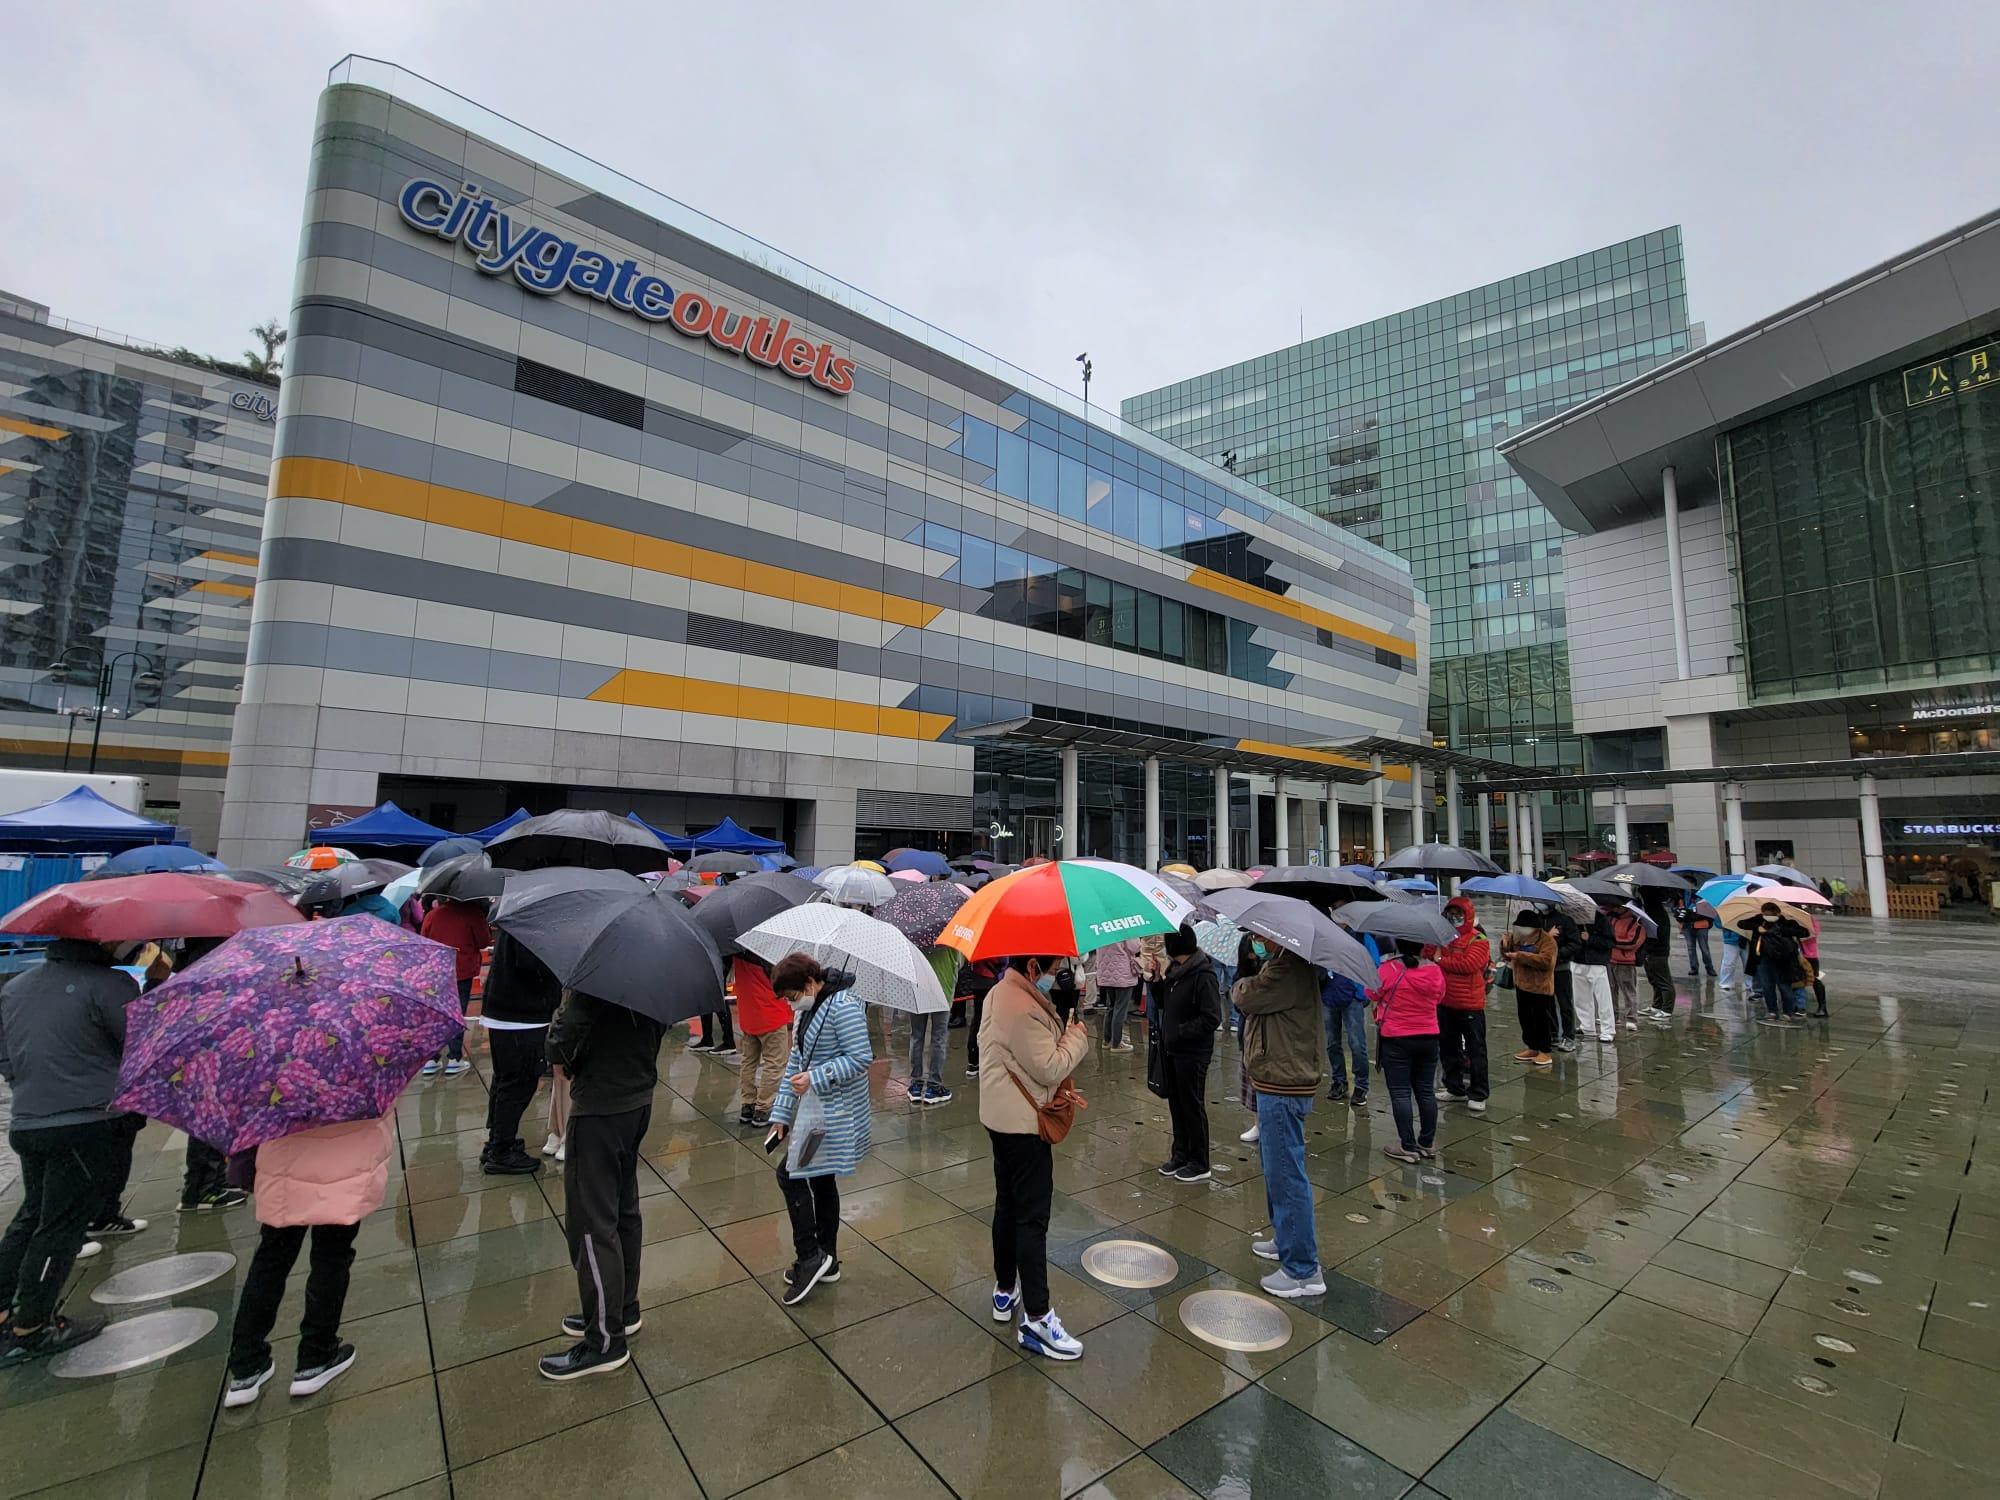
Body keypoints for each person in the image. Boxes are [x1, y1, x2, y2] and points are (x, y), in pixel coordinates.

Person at [0, 938, 149, 1362]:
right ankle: (32, 1325)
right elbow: (138, 1046)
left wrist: (31, 1083)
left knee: (31, 1216)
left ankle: (4, 1310)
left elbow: (5, 1055)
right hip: (85, 1122)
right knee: (60, 1227)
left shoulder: (15, 986)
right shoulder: (109, 986)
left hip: (29, 1118)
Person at [222, 1110, 395, 1407]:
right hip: (346, 1162)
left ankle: (246, 1365)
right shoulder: (362, 1063)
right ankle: (316, 1356)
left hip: (284, 1163)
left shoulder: (271, 1065)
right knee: (332, 1257)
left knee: (271, 1260)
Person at [539, 984, 665, 1381]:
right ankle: (621, 1309)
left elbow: (560, 1044)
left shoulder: (593, 975)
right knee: (624, 1211)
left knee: (593, 1224)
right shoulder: (652, 970)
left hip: (599, 1107)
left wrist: (563, 1015)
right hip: (637, 1098)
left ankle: (604, 1341)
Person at [980, 953, 1091, 1359]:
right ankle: (1039, 1319)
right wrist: (1077, 1034)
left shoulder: (999, 992)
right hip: (1023, 1126)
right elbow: (1049, 1067)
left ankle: (1005, 1289)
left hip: (999, 1116)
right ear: (1031, 967)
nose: (1053, 976)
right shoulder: (1022, 1006)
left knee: (1007, 1205)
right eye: (1049, 969)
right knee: (1031, 1218)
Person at [767, 956, 872, 1304]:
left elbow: (861, 1057)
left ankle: (811, 1255)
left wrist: (817, 1076)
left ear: (812, 983)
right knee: (821, 1179)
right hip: (817, 1111)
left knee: (790, 1174)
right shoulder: (806, 1010)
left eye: (793, 995)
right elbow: (796, 1060)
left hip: (836, 1112)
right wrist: (781, 1115)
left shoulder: (843, 1006)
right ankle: (826, 1258)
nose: (790, 1003)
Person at [1234, 942, 1325, 1300]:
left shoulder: (1288, 968)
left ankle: (1302, 1269)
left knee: (1286, 1172)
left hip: (1284, 1080)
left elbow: (1245, 996)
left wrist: (1245, 978)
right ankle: (1286, 1239)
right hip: (1278, 1075)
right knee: (1277, 1169)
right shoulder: (1285, 963)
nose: (1256, 937)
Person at [480, 930, 562, 1175]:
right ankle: (501, 1151)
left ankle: (497, 1140)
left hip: (508, 1011)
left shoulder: (520, 912)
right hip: (521, 1015)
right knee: (518, 1083)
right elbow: (532, 964)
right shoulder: (532, 924)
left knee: (505, 1079)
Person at [1153, 925, 1221, 1183]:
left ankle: (1200, 1161)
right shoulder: (1174, 971)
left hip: (1193, 1052)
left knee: (1192, 1105)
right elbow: (1163, 1004)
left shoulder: (1203, 975)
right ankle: (1180, 1154)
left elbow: (1212, 1016)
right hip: (1173, 1050)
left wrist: (1181, 1031)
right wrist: (1157, 980)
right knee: (1177, 1104)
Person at [1369, 939, 1445, 1164]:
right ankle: (1427, 1143)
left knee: (1401, 1092)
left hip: (1396, 1039)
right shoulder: (1434, 970)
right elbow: (1439, 997)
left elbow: (1371, 993)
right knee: (1425, 1090)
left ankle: (1407, 1146)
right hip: (1429, 1037)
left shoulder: (1387, 969)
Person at [420, 895, 491, 1079]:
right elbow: (484, 941)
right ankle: (454, 1058)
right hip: (462, 970)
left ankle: (431, 1059)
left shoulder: (433, 915)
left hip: (436, 970)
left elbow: (423, 940)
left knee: (436, 1013)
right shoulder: (473, 914)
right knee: (457, 1012)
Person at [1433, 898, 1492, 1109]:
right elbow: (1428, 954)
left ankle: (1478, 1093)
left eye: (1458, 913)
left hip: (1470, 1005)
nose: (1454, 917)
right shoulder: (1443, 938)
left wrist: (1442, 961)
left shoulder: (1478, 939)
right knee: (1449, 1048)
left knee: (1475, 1051)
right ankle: (1453, 1087)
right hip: (1445, 1001)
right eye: (1451, 913)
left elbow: (1469, 964)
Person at [732, 954, 792, 1127]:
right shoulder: (769, 956)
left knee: (748, 1062)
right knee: (774, 1064)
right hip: (772, 1015)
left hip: (749, 1016)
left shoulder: (738, 954)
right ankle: (763, 1109)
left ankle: (747, 1105)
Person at [1501, 912, 1557, 1066]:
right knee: (1526, 1019)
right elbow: (1507, 955)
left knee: (1541, 1020)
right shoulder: (1516, 937)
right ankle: (1532, 1046)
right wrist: (1504, 944)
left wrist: (1520, 956)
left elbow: (1546, 961)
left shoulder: (1547, 940)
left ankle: (1544, 1051)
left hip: (1540, 987)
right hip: (1521, 984)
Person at [1741, 902, 1810, 1025]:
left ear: (1778, 913)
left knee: (1784, 986)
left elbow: (1804, 932)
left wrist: (1777, 930)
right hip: (1764, 958)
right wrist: (1757, 928)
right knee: (1767, 986)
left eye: (1770, 914)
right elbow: (1741, 923)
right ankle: (1772, 1011)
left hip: (1783, 960)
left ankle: (1787, 1012)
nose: (1767, 916)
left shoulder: (1787, 922)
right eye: (1765, 914)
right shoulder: (1759, 920)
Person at [909, 945, 959, 1106]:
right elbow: (959, 962)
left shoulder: (916, 936)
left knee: (917, 1036)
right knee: (938, 1039)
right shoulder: (951, 939)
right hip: (942, 991)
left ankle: (916, 1085)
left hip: (919, 990)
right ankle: (933, 1086)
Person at [1234, 931, 1267, 1143]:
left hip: (1266, 1035)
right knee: (1249, 1079)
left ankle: (1264, 1124)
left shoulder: (1273, 968)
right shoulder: (1244, 972)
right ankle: (1257, 1123)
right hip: (1247, 1030)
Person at [1570, 906, 1617, 1043]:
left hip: (1597, 963)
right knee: (1580, 998)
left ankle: (1608, 1030)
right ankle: (1587, 1026)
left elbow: (1610, 942)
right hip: (1578, 961)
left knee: (1603, 998)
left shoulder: (1602, 920)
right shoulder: (1574, 920)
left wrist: (1590, 938)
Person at [960, 956, 1003, 1076]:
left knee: (977, 1021)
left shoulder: (974, 941)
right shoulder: (994, 941)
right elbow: (1000, 960)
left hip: (977, 981)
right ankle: (986, 1060)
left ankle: (973, 1061)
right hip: (989, 981)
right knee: (990, 1023)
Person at [1094, 937, 1140, 1052]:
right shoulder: (1125, 925)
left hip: (1106, 972)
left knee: (1111, 1007)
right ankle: (1116, 1043)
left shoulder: (1103, 927)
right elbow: (1134, 947)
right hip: (1122, 972)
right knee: (1120, 1008)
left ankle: (1107, 1040)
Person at [1608, 905, 1647, 1033]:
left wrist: (1613, 942)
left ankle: (1631, 1018)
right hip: (1611, 960)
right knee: (1611, 990)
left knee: (1629, 991)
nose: (1616, 909)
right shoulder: (1612, 920)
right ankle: (1614, 1016)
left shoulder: (1636, 923)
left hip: (1626, 962)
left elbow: (1632, 943)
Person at [1549, 908, 1582, 1052]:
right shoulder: (1537, 920)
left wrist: (1558, 953)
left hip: (1561, 968)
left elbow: (1575, 944)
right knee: (1547, 1004)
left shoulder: (1565, 921)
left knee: (1565, 1003)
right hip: (1543, 970)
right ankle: (1552, 1034)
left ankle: (1569, 1036)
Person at [1677, 898, 1717, 979]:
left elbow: (1710, 913)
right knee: (1691, 948)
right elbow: (1678, 911)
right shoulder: (1681, 895)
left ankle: (1709, 968)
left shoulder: (1702, 896)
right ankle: (1694, 967)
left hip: (1701, 925)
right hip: (1687, 925)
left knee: (1704, 948)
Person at [1801, 916, 1828, 1017]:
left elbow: (1813, 932)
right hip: (1795, 954)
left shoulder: (1809, 918)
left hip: (1809, 954)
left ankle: (1822, 1006)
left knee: (1814, 979)